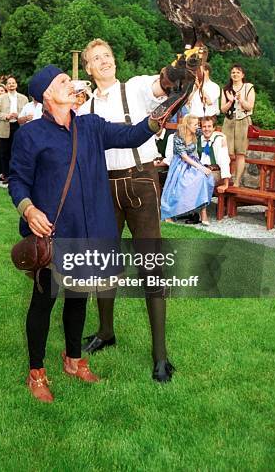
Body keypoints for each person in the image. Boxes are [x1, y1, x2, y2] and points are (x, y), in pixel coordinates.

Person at [8, 65, 161, 403]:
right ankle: (37, 373)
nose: (70, 83)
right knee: (43, 302)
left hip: (90, 232)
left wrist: (163, 111)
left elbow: (132, 135)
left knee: (78, 298)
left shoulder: (90, 126)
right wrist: (29, 210)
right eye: (62, 81)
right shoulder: (30, 135)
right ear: (47, 94)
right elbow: (17, 181)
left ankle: (73, 360)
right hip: (53, 234)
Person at [79, 38, 173, 383]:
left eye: (108, 56)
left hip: (141, 181)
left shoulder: (134, 89)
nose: (104, 61)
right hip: (104, 185)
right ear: (88, 68)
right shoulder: (83, 106)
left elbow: (161, 84)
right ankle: (105, 332)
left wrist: (176, 72)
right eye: (97, 58)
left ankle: (160, 355)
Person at [161, 114, 215, 225]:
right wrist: (201, 167)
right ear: (188, 125)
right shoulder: (178, 136)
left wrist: (221, 137)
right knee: (186, 182)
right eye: (195, 125)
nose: (197, 127)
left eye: (198, 124)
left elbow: (209, 132)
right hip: (180, 165)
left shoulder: (196, 132)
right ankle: (170, 213)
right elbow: (184, 157)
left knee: (205, 178)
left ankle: (203, 212)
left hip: (193, 162)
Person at [221, 65, 256, 187]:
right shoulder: (226, 89)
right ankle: (226, 179)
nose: (235, 74)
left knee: (240, 152)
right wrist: (230, 101)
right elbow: (222, 109)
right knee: (226, 152)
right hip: (229, 120)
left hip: (243, 120)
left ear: (242, 75)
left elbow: (250, 106)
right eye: (233, 72)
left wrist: (241, 100)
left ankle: (237, 181)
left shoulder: (248, 87)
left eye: (237, 72)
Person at [0, 76, 28, 184]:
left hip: (19, 126)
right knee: (5, 153)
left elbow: (27, 112)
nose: (11, 85)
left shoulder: (24, 98)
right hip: (5, 126)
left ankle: (17, 175)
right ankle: (6, 175)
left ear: (16, 85)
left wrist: (18, 115)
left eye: (13, 83)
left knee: (18, 152)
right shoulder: (1, 98)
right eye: (9, 83)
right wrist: (7, 116)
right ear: (6, 86)